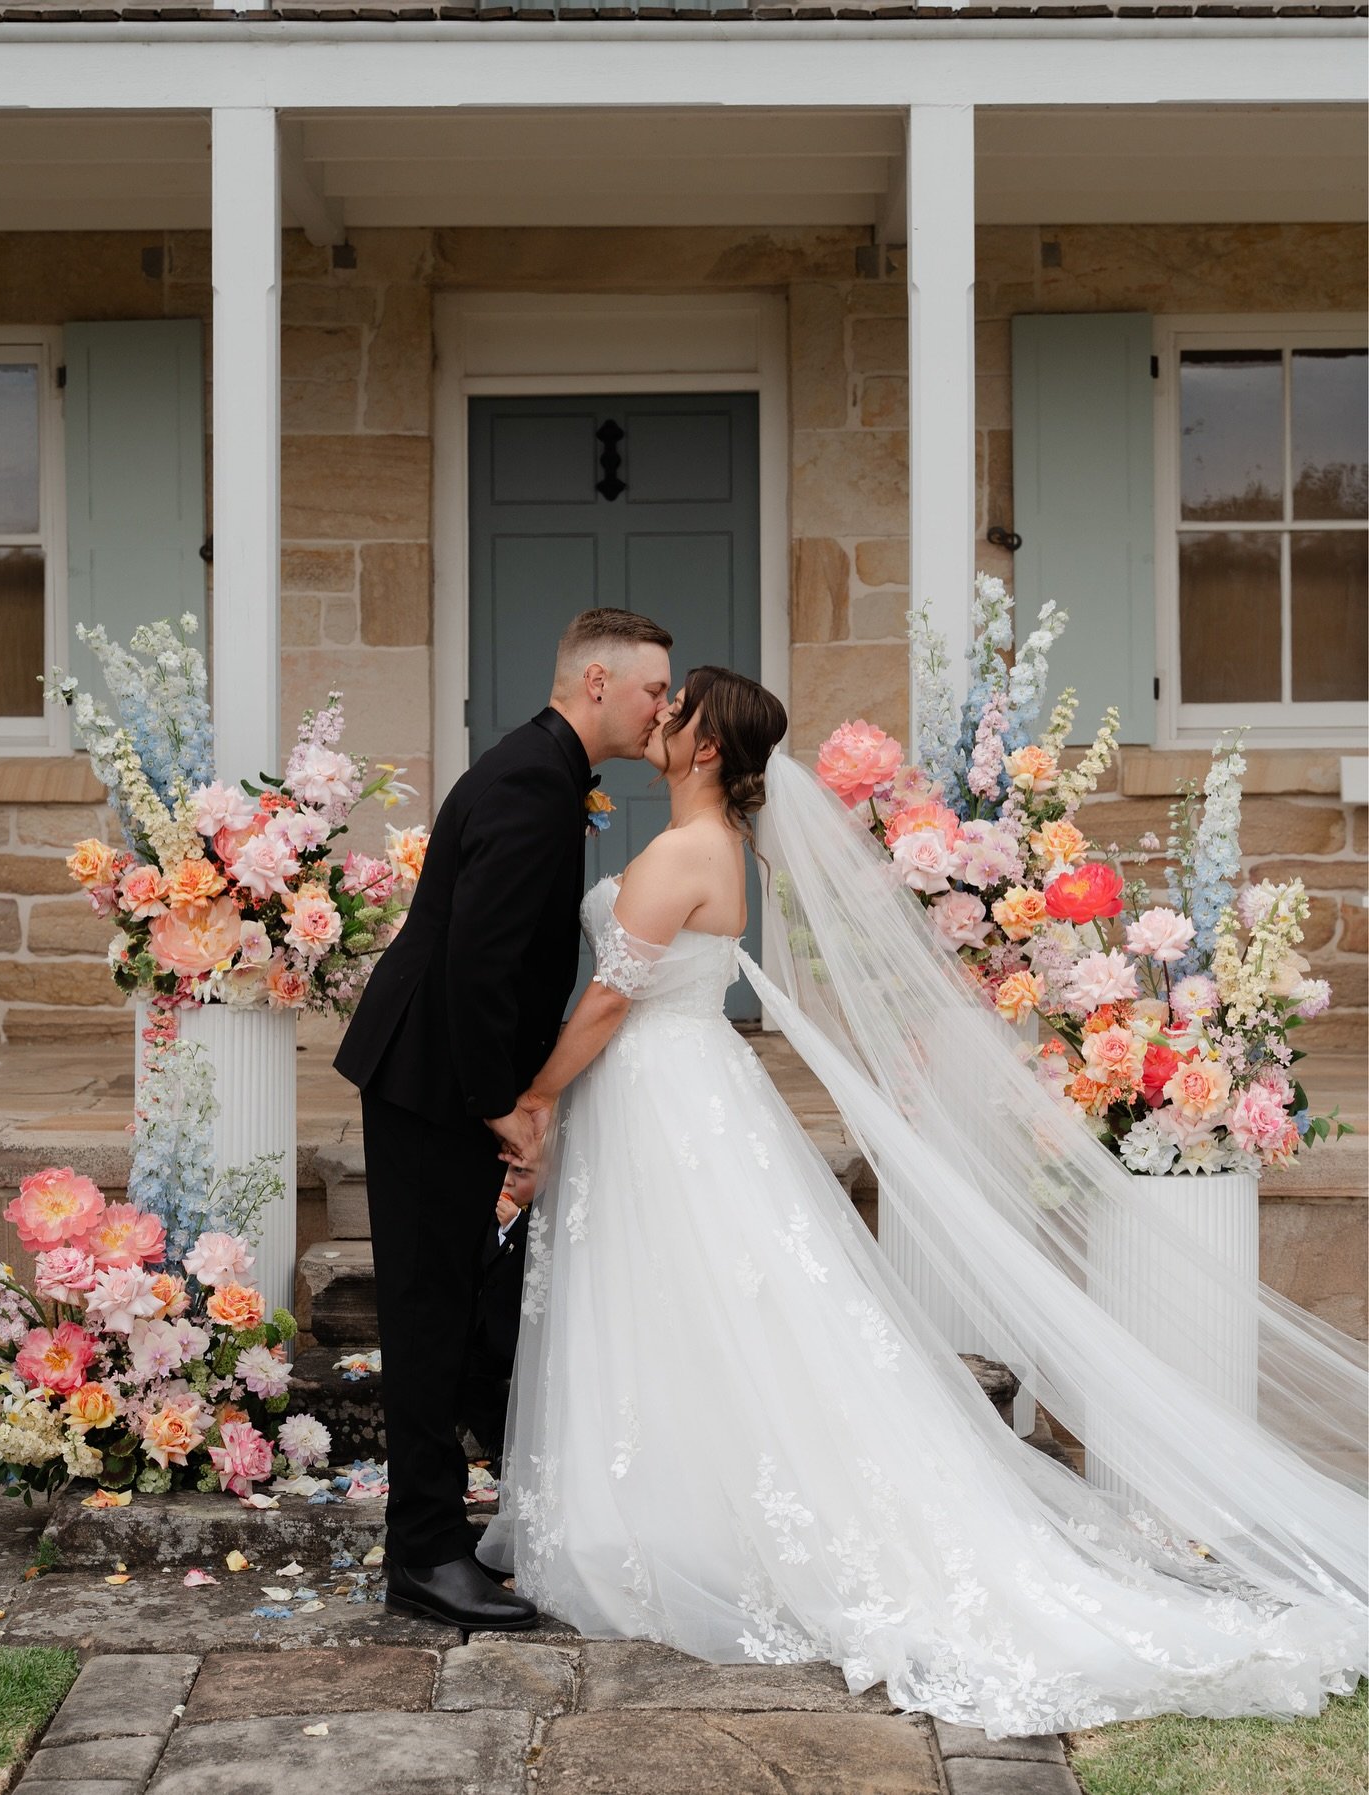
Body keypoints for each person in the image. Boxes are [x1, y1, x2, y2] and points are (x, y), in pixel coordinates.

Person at [479, 665, 1367, 1737]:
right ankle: (676, 1509)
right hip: (672, 1095)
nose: (659, 720)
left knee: (707, 1300)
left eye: (677, 711)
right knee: (691, 1308)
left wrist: (533, 1095)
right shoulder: (712, 848)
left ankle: (692, 1528)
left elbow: (614, 996)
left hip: (669, 1096)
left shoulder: (682, 852)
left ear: (708, 745)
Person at [333, 607, 672, 1631]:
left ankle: (452, 1526)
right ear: (600, 682)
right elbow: (480, 966)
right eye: (656, 688)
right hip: (434, 1079)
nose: (666, 706)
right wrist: (506, 1112)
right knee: (429, 1318)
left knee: (461, 1306)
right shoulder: (531, 784)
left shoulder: (540, 768)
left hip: (437, 1074)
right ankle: (424, 1557)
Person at [457, 1186, 530, 1479]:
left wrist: (517, 1226)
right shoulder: (486, 1212)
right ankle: (500, 1443)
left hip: (526, 1333)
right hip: (489, 1331)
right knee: (465, 1373)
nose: (508, 1184)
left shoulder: (540, 1217)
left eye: (520, 1174)